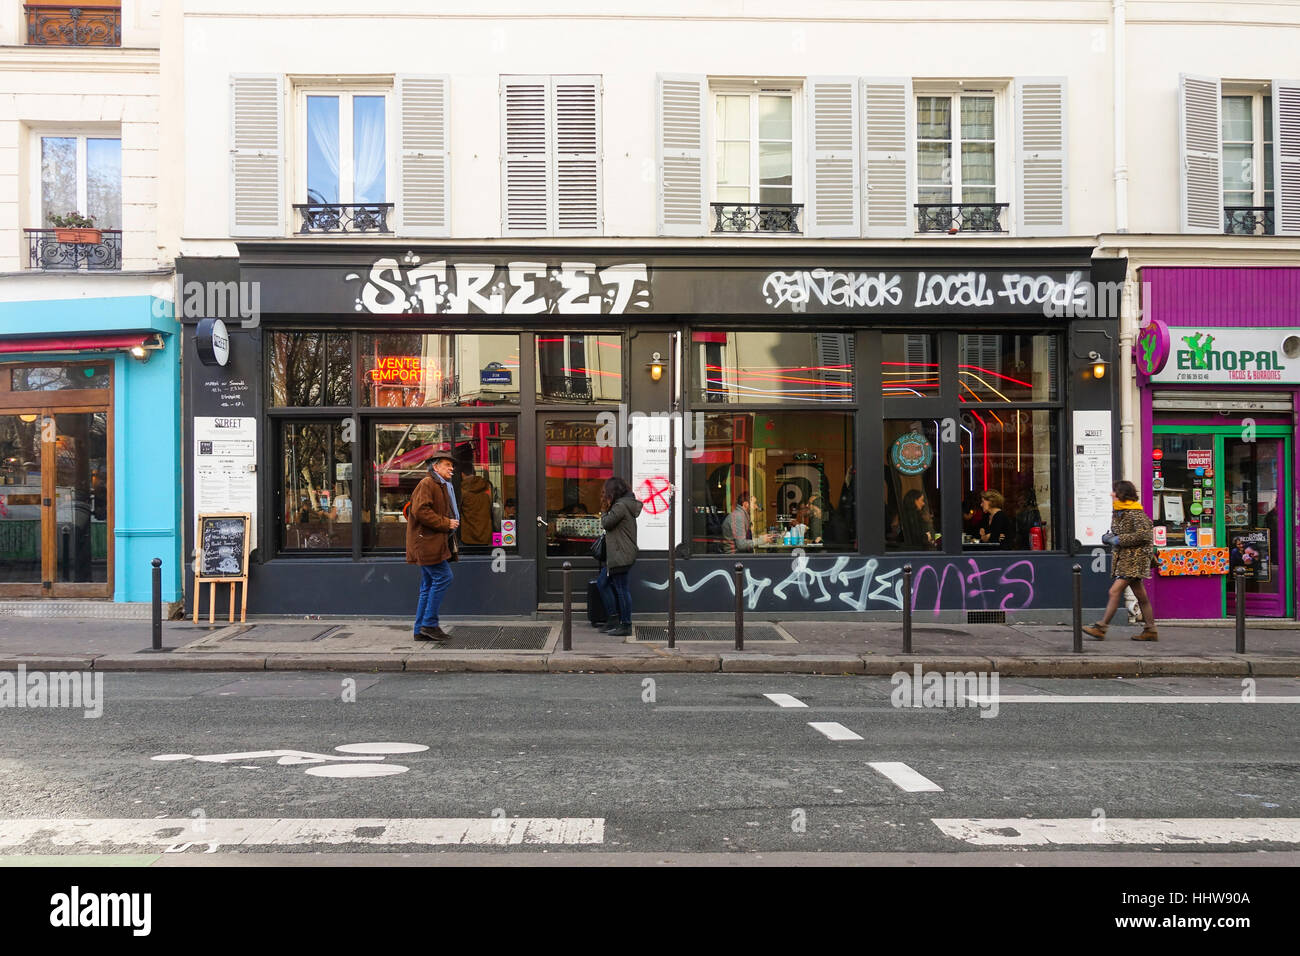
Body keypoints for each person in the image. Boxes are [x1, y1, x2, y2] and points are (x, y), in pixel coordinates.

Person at [1084, 480, 1158, 642]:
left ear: (1121, 494)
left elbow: (1145, 535)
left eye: (1114, 491)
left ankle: (1101, 628)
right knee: (1141, 596)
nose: (1111, 494)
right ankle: (1150, 630)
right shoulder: (1119, 512)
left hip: (1134, 560)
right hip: (1126, 559)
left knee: (1114, 591)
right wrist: (1109, 538)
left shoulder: (1135, 513)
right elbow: (1120, 534)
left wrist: (1118, 539)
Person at [406, 455, 460, 643]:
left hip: (432, 543)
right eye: (447, 465)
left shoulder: (439, 485)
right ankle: (429, 624)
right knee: (444, 577)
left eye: (452, 466)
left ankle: (420, 630)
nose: (451, 469)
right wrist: (446, 523)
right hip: (426, 543)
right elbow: (420, 511)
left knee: (428, 585)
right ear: (436, 467)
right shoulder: (427, 483)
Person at [595, 477, 642, 637]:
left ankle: (626, 624)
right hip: (619, 553)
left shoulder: (620, 506)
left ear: (612, 492)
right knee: (603, 583)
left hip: (621, 554)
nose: (604, 494)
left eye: (606, 492)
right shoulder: (624, 504)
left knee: (621, 589)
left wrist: (604, 508)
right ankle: (614, 618)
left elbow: (606, 523)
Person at [458, 468, 493, 545]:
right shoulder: (486, 488)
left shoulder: (462, 491)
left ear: (462, 474)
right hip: (486, 536)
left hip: (467, 538)